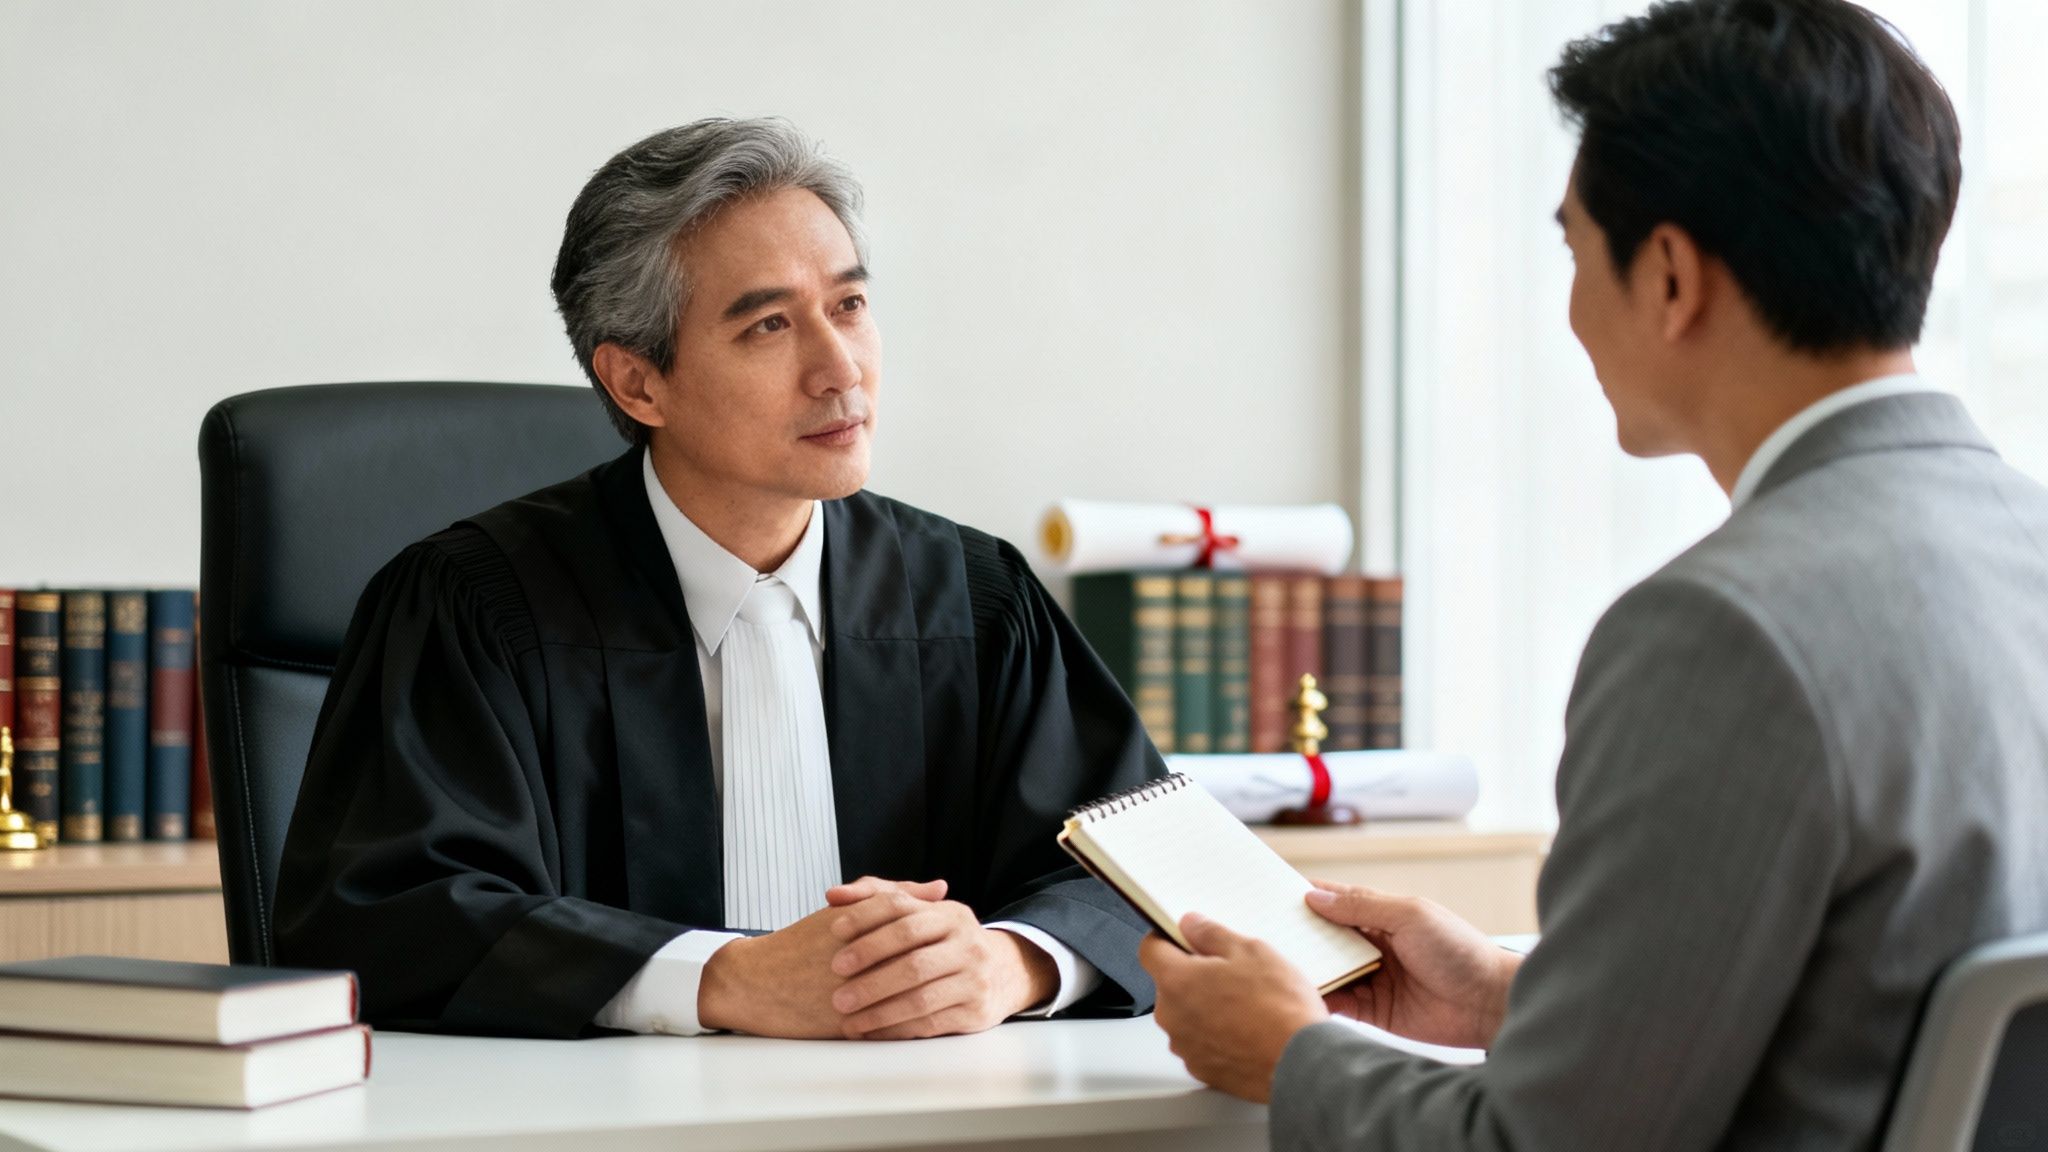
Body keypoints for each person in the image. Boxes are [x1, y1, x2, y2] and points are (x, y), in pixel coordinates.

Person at [1142, 1, 2048, 1147]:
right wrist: (1500, 997)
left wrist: (1289, 1056)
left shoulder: (1721, 631)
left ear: (1668, 276)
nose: (1569, 307)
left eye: (1573, 248)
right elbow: (1880, 1015)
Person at [274, 118, 1161, 1041]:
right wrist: (722, 981)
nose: (839, 368)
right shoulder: (473, 608)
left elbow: (1148, 869)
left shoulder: (974, 599)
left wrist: (1010, 962)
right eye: (770, 325)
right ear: (637, 383)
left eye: (850, 306)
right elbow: (388, 920)